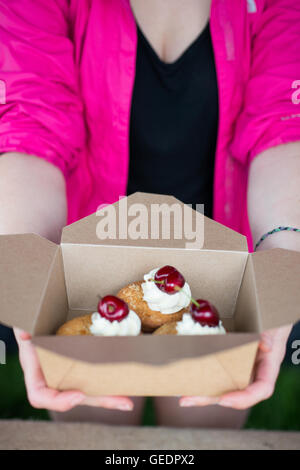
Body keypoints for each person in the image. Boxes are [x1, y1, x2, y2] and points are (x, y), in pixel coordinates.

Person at [1, 0, 299, 428]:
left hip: (222, 271)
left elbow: (284, 126)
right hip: (85, 262)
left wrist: (283, 268)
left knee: (201, 437)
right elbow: (29, 126)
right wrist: (31, 276)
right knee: (94, 433)